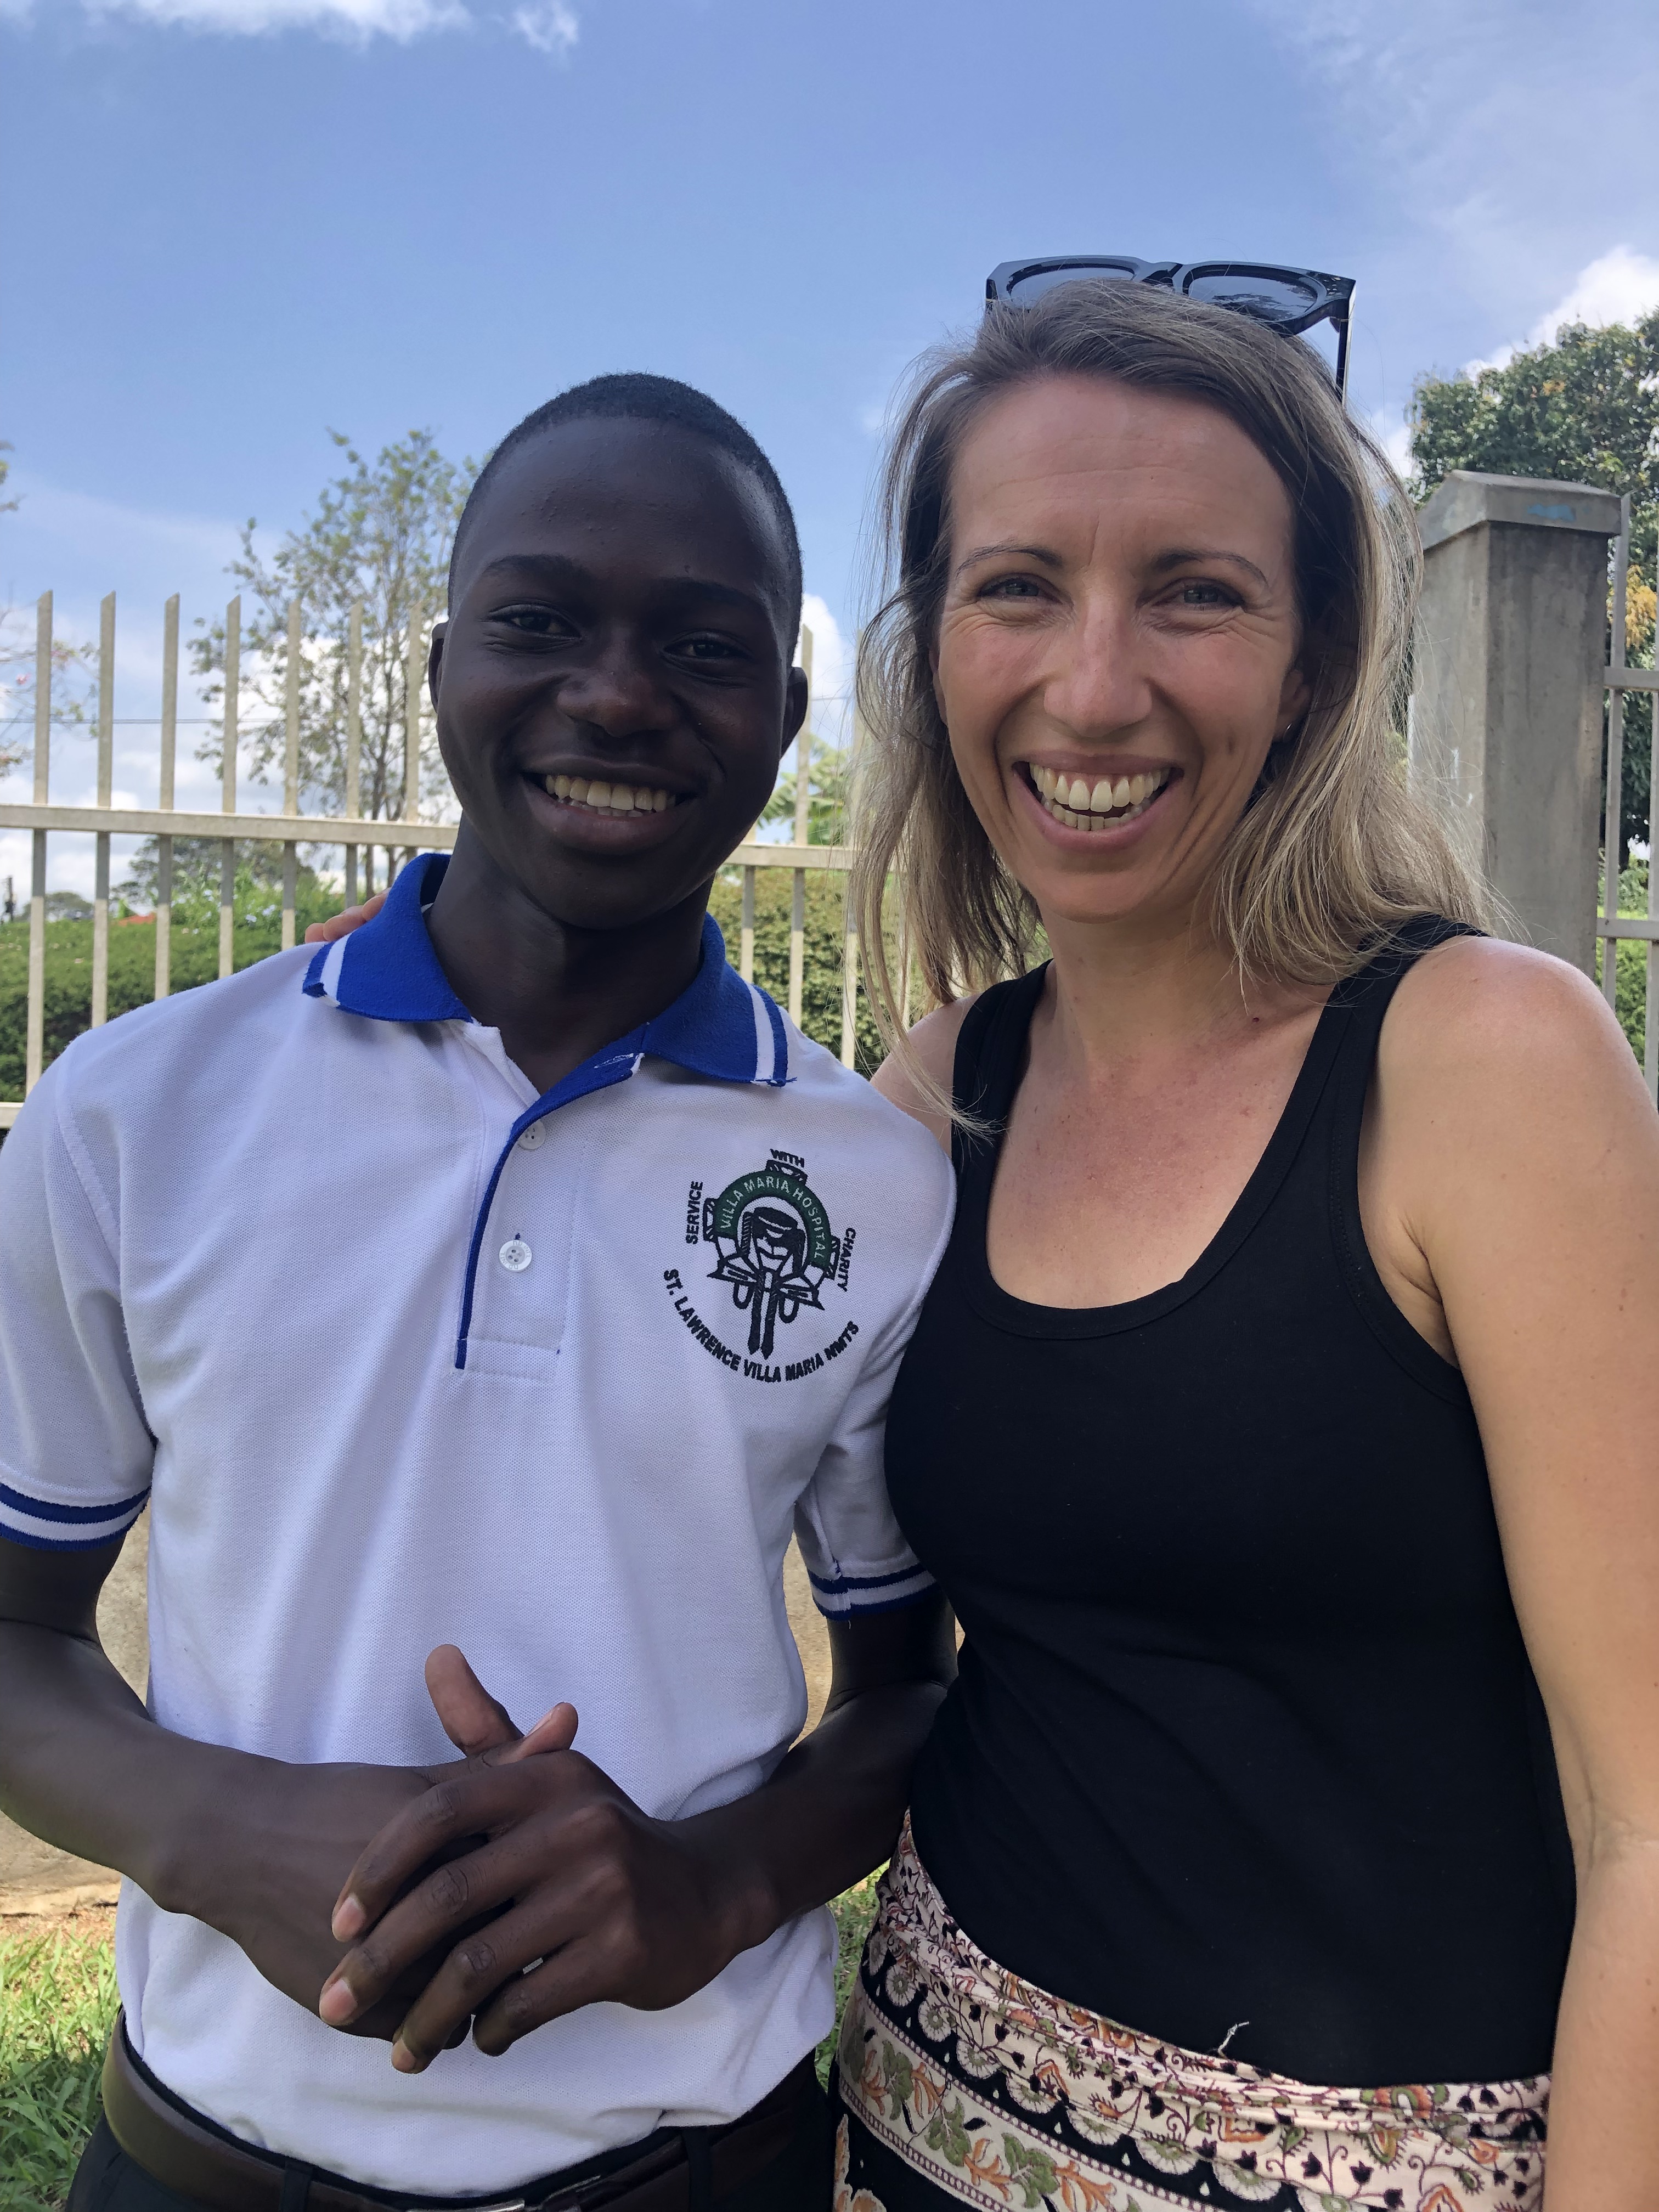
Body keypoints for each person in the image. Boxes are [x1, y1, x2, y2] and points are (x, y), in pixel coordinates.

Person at [0, 373, 959, 2212]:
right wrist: (216, 1830)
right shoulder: (135, 1113)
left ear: (786, 714)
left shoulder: (874, 1185)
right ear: (442, 667)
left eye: (704, 646)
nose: (617, 694)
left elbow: (909, 1700)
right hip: (202, 2167)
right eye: (538, 622)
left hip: (704, 2170)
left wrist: (710, 1889)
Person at [819, 282, 1659, 2211]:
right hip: (913, 2129)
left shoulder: (1482, 1063)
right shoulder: (937, 1096)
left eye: (1195, 593)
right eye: (1018, 587)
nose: (1095, 686)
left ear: (1312, 664)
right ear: (934, 651)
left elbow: (1648, 1822)